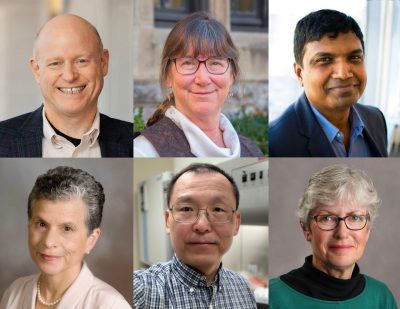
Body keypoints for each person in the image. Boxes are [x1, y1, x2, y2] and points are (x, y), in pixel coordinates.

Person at [0, 14, 132, 157]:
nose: (69, 76)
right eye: (55, 63)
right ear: (37, 70)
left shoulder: (133, 142)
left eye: (81, 61)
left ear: (103, 63)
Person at [134, 12, 263, 157]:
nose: (202, 79)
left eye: (215, 63)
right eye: (188, 63)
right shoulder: (143, 152)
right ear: (168, 76)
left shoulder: (252, 152)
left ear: (232, 75)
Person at [0, 166, 131, 308]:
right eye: (42, 224)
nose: (49, 242)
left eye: (67, 229)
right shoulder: (14, 292)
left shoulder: (111, 305)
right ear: (29, 224)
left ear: (91, 240)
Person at [269, 165, 397, 308]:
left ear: (368, 230)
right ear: (306, 229)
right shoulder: (274, 298)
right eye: (327, 218)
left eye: (354, 218)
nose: (342, 233)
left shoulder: (382, 298)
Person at [134, 163, 257, 308]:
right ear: (168, 221)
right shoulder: (140, 291)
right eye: (186, 209)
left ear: (236, 224)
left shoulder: (243, 288)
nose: (202, 225)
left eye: (217, 209)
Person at [269, 9, 387, 157]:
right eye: (324, 60)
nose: (343, 74)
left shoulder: (376, 119)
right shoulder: (275, 143)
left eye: (354, 58)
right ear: (300, 74)